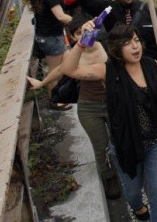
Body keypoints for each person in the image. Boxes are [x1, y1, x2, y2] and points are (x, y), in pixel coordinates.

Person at [60, 23, 157, 222]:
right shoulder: (108, 71)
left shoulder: (153, 65)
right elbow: (70, 70)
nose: (135, 47)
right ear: (115, 48)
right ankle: (138, 207)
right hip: (125, 144)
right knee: (132, 192)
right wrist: (82, 42)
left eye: (136, 41)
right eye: (127, 43)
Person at [26, 13, 121, 200]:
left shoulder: (107, 45)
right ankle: (109, 178)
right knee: (101, 145)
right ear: (73, 37)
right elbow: (61, 70)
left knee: (120, 138)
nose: (84, 35)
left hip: (114, 102)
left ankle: (127, 167)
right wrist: (41, 83)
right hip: (89, 106)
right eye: (78, 33)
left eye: (86, 30)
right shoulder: (72, 54)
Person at [25, 0, 73, 110]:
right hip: (52, 36)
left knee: (60, 65)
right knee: (54, 71)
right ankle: (55, 101)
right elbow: (60, 16)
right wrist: (79, 22)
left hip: (43, 35)